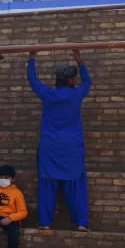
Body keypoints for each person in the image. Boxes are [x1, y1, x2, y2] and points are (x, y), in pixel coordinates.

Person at [28, 50, 91, 231]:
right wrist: (81, 62)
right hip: (72, 146)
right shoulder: (77, 94)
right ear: (70, 80)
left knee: (47, 184)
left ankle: (45, 223)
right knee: (76, 184)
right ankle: (81, 223)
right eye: (74, 78)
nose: (76, 80)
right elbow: (88, 82)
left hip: (50, 146)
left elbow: (32, 79)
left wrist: (32, 57)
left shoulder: (48, 94)